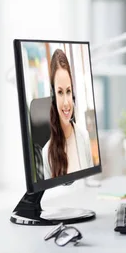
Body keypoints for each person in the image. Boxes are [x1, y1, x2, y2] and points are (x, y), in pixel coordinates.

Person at [42, 49, 94, 179]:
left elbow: (90, 184)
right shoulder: (46, 152)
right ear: (53, 96)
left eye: (68, 91)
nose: (66, 102)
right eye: (60, 92)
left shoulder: (84, 137)